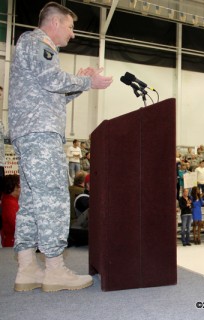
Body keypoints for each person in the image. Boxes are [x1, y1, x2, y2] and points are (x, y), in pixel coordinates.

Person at [8, 2, 113, 293]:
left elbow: (54, 95)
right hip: (40, 133)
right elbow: (52, 79)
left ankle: (27, 268)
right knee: (54, 195)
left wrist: (82, 84)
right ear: (54, 23)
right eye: (70, 26)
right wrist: (87, 81)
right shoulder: (37, 41)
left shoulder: (30, 47)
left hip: (30, 131)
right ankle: (55, 269)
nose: (73, 34)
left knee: (31, 203)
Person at [1, 175, 21, 247]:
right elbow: (17, 225)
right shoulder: (10, 203)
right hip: (14, 243)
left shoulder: (7, 200)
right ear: (15, 188)